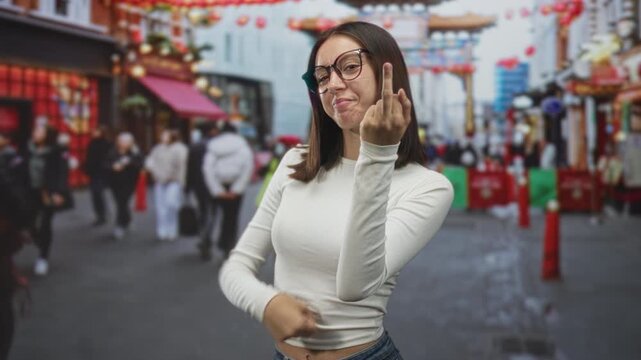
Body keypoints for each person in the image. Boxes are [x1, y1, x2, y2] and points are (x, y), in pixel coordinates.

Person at [218, 22, 453, 360]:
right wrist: (266, 303)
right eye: (322, 76)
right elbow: (236, 267)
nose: (334, 84)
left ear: (389, 73)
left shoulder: (428, 187)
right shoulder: (296, 162)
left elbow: (355, 286)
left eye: (349, 66)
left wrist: (378, 154)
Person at [200, 121, 253, 261]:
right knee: (231, 218)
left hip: (217, 185)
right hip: (234, 187)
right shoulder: (243, 147)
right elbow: (247, 169)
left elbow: (207, 169)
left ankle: (206, 241)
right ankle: (227, 246)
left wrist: (216, 189)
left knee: (211, 215)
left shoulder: (213, 146)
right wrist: (236, 190)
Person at [27, 124, 70, 276]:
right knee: (29, 224)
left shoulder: (57, 151)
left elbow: (62, 173)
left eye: (39, 131)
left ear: (48, 134)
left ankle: (43, 257)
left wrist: (58, 192)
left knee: (45, 223)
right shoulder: (28, 148)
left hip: (47, 192)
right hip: (29, 192)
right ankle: (39, 240)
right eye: (35, 130)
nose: (35, 133)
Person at [145, 129, 188, 242]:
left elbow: (182, 166)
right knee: (160, 207)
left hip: (174, 181)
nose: (163, 137)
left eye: (166, 135)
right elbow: (150, 161)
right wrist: (153, 171)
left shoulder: (180, 149)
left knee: (171, 205)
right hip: (159, 180)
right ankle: (162, 230)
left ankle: (172, 229)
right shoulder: (158, 148)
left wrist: (182, 182)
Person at [106, 132, 143, 240]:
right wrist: (113, 166)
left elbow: (140, 163)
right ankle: (127, 219)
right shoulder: (113, 151)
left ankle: (120, 225)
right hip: (115, 182)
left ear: (131, 142)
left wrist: (129, 162)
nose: (122, 143)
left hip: (129, 181)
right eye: (121, 141)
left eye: (125, 141)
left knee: (122, 202)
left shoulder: (135, 151)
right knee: (120, 202)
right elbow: (106, 163)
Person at [186, 123, 219, 233]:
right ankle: (209, 231)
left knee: (202, 208)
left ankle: (203, 231)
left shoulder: (195, 146)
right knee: (213, 209)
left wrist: (188, 185)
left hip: (198, 183)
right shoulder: (215, 146)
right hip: (213, 182)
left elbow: (189, 168)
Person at [84, 126, 112, 226]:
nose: (94, 132)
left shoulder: (106, 143)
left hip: (101, 172)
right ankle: (99, 213)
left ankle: (102, 214)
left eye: (97, 131)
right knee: (94, 193)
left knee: (98, 192)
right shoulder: (92, 143)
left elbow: (109, 157)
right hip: (93, 172)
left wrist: (104, 166)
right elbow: (88, 157)